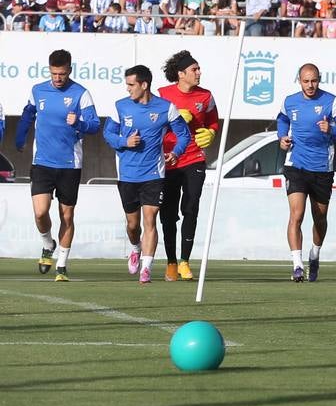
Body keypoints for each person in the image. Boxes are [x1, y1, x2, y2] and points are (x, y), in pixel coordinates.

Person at [15, 49, 101, 281]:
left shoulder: (81, 94)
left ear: (69, 70)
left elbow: (94, 125)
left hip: (69, 164)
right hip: (42, 162)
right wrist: (20, 137)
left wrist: (80, 123)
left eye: (61, 74)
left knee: (67, 216)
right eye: (54, 73)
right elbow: (27, 114)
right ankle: (47, 243)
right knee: (41, 212)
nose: (57, 78)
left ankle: (61, 265)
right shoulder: (38, 90)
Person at [104, 65, 190, 284]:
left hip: (154, 174)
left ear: (144, 85)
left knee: (150, 218)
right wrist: (125, 142)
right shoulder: (120, 107)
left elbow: (183, 134)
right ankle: (135, 248)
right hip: (127, 175)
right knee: (133, 225)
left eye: (131, 85)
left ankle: (146, 268)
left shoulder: (166, 108)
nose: (128, 89)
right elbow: (108, 134)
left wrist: (176, 153)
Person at [276, 63, 336, 283]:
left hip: (322, 168)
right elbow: (282, 119)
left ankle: (315, 254)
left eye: (314, 81)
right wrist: (282, 137)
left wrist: (332, 129)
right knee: (297, 214)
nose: (310, 85)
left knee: (319, 218)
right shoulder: (289, 101)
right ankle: (297, 265)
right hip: (296, 165)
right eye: (306, 81)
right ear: (299, 80)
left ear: (319, 79)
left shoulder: (332, 101)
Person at [157, 50, 217, 282]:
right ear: (181, 74)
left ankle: (184, 261)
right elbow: (152, 122)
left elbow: (213, 120)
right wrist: (171, 120)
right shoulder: (162, 95)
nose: (199, 72)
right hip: (169, 159)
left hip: (194, 158)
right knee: (168, 213)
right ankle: (171, 262)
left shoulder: (206, 96)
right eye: (194, 69)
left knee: (191, 207)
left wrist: (211, 133)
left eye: (198, 68)